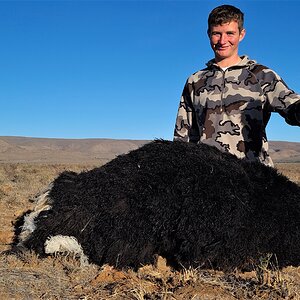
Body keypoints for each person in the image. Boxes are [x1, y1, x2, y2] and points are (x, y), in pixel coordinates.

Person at [173, 4, 300, 166]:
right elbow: (183, 136)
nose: (222, 40)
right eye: (216, 34)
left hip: (254, 176)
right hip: (207, 178)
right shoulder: (195, 81)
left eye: (230, 33)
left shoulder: (262, 75)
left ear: (241, 34)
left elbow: (292, 107)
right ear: (208, 34)